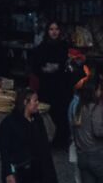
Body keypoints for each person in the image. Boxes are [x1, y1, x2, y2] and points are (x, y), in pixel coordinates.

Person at [31, 18, 75, 149]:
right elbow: (35, 66)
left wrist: (59, 67)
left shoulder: (64, 47)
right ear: (47, 31)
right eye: (51, 29)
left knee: (62, 114)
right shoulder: (41, 48)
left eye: (56, 29)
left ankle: (62, 141)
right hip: (47, 87)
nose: (54, 32)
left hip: (62, 87)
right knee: (48, 114)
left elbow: (69, 66)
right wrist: (44, 69)